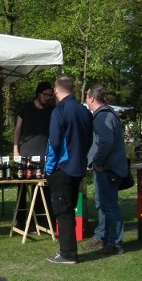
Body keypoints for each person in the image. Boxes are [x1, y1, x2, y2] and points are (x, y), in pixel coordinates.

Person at [44, 76, 93, 264]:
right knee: (70, 209)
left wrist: (48, 168)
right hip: (78, 167)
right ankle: (68, 250)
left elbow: (54, 142)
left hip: (62, 168)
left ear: (56, 91)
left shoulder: (60, 111)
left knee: (62, 210)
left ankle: (67, 253)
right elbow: (88, 140)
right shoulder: (84, 111)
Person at [82, 85, 127, 255]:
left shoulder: (102, 117)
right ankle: (103, 236)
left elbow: (106, 141)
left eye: (86, 97)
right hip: (109, 167)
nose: (86, 100)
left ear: (92, 98)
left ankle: (115, 242)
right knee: (103, 204)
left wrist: (98, 161)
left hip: (107, 168)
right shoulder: (107, 114)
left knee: (108, 206)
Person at [12, 81, 54, 228]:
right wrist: (15, 149)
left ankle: (41, 222)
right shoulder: (26, 108)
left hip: (44, 154)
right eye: (45, 95)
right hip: (26, 152)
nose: (48, 98)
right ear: (38, 93)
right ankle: (20, 222)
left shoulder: (51, 110)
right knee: (22, 188)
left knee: (43, 189)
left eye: (50, 95)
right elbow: (17, 130)